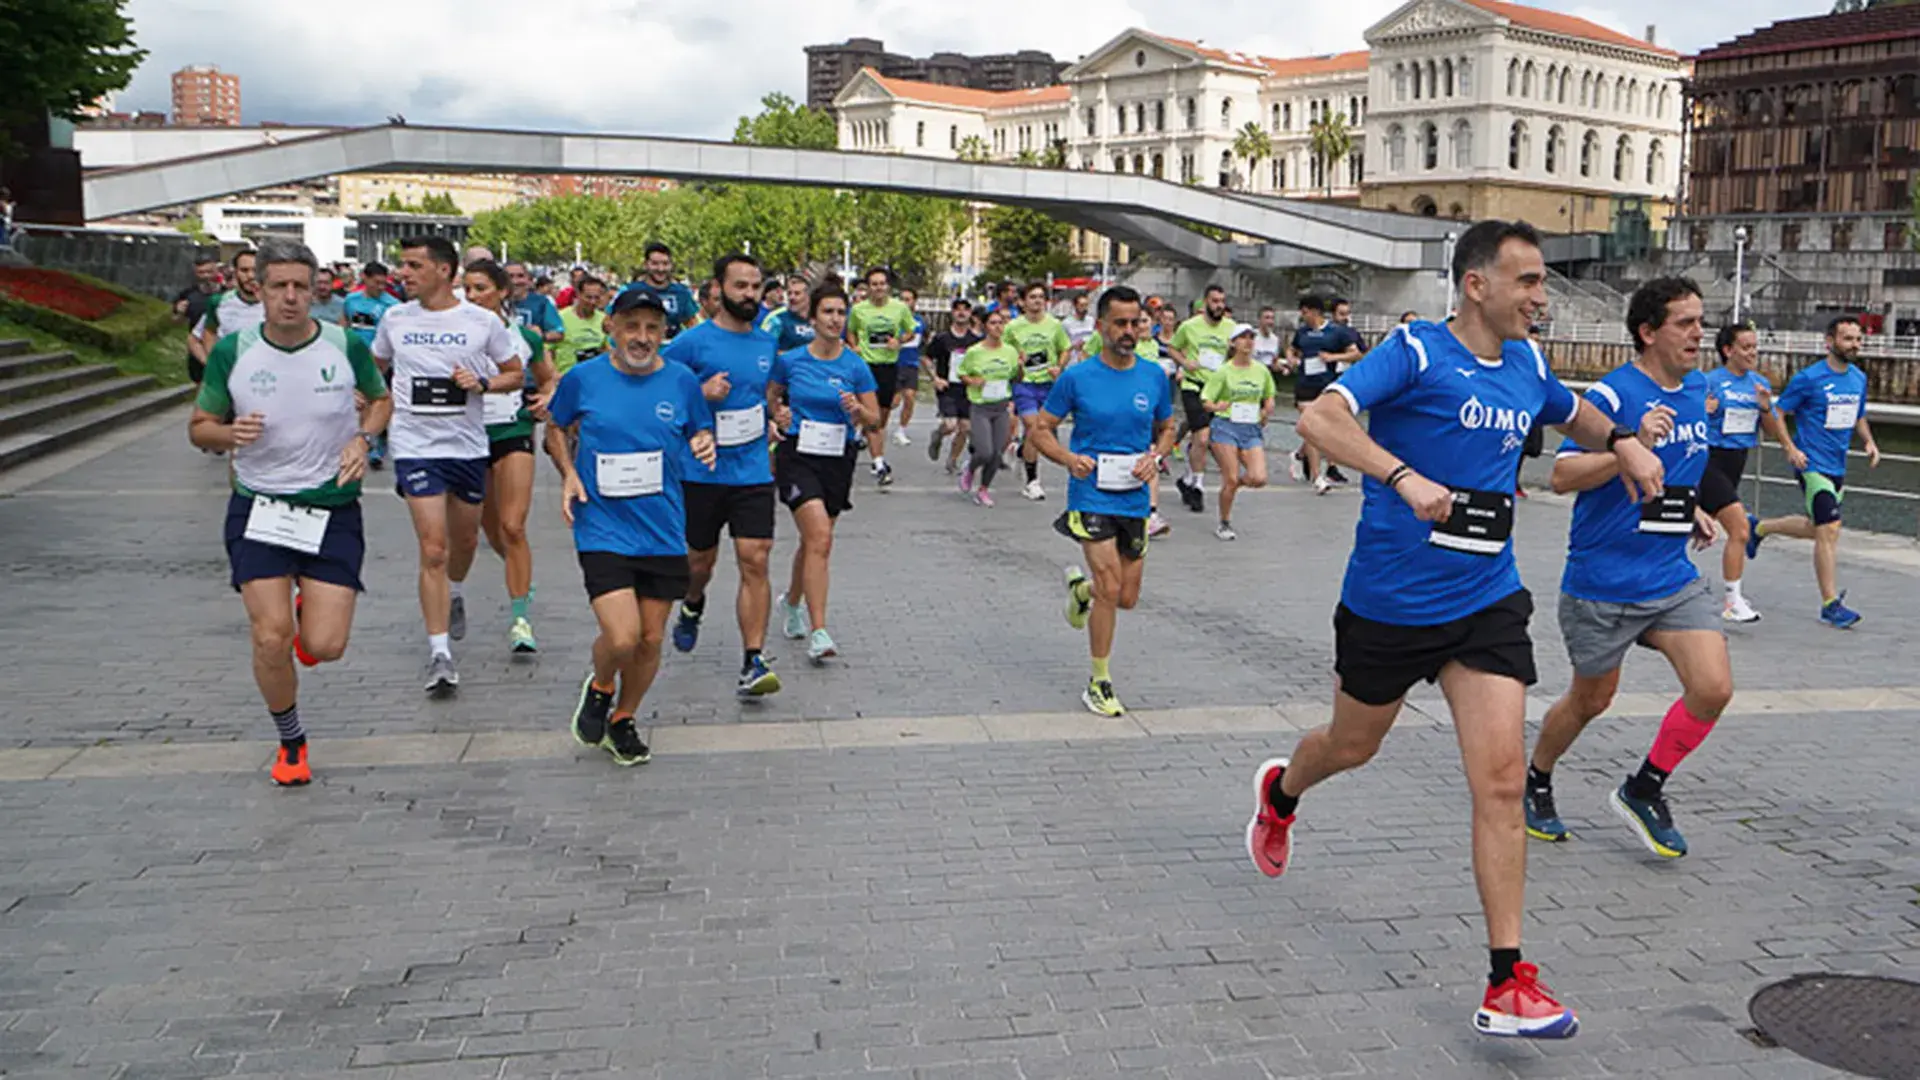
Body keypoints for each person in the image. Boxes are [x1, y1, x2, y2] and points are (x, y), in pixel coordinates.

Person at [1244, 219, 1665, 1040]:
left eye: (1544, 283)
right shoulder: (1415, 352)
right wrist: (1403, 476)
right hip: (1392, 602)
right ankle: (1281, 792)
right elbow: (1319, 421)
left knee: (1503, 780)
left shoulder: (1526, 363)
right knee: (1351, 745)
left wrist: (1623, 444)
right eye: (1530, 282)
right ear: (1478, 284)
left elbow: (1572, 412)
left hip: (1486, 599)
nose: (1542, 298)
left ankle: (1508, 980)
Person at [1525, 276, 1733, 862]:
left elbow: (1670, 470)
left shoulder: (1697, 394)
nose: (1699, 333)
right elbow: (1562, 476)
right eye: (1685, 323)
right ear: (1647, 332)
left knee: (1713, 687)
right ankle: (1536, 777)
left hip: (1669, 579)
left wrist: (1688, 507)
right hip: (1602, 583)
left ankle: (1644, 788)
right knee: (1592, 700)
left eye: (1701, 321)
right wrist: (1625, 445)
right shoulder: (1614, 396)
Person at [187, 237, 390, 787]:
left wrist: (364, 439)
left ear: (316, 287)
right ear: (260, 290)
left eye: (302, 286)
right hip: (260, 506)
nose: (291, 298)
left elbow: (380, 398)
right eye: (279, 286)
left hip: (331, 509)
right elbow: (199, 427)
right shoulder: (234, 350)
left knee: (324, 645)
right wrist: (229, 433)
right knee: (270, 637)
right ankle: (291, 740)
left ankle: (307, 613)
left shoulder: (345, 346)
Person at [548, 290, 717, 767]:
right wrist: (569, 473)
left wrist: (704, 443)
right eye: (632, 326)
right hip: (602, 524)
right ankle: (601, 686)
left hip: (662, 528)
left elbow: (698, 430)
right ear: (611, 327)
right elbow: (555, 428)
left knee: (650, 640)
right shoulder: (584, 379)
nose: (642, 338)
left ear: (665, 333)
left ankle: (624, 718)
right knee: (622, 637)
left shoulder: (682, 381)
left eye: (652, 328)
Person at [372, 236, 525, 695]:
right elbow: (374, 365)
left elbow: (515, 372)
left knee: (463, 542)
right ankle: (440, 653)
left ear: (444, 270)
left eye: (414, 265)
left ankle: (454, 591)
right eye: (403, 265)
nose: (404, 273)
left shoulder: (480, 321)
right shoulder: (394, 318)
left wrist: (482, 383)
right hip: (416, 445)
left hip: (466, 447)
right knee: (433, 548)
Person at [1028, 286, 1176, 718]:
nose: (1129, 331)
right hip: (1090, 493)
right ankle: (1099, 680)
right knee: (1110, 588)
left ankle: (1081, 591)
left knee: (1126, 597)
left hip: (1133, 498)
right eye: (1121, 323)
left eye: (1136, 323)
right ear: (1101, 327)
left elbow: (1167, 427)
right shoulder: (1076, 377)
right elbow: (1041, 429)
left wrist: (1156, 457)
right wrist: (1068, 459)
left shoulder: (1153, 375)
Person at [662, 254, 784, 697]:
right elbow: (654, 385)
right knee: (700, 563)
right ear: (718, 289)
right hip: (702, 471)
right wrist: (700, 390)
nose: (750, 294)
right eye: (741, 286)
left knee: (756, 556)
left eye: (755, 285)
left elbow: (765, 395)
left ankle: (753, 660)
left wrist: (776, 414)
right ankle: (693, 604)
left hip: (752, 468)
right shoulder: (692, 344)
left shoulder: (767, 343)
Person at [767, 283, 879, 663]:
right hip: (798, 454)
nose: (834, 319)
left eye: (840, 312)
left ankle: (793, 601)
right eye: (827, 312)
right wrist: (776, 416)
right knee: (819, 536)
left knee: (816, 541)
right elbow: (771, 395)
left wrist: (858, 413)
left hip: (838, 455)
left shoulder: (855, 365)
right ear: (812, 318)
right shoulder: (792, 360)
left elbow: (875, 418)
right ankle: (820, 631)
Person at [1747, 315, 1881, 628]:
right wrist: (1790, 449)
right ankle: (1830, 604)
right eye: (1847, 338)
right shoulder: (1809, 378)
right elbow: (1778, 412)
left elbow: (1858, 414)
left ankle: (1760, 529)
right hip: (1812, 465)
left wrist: (1870, 442)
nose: (1854, 345)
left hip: (1838, 465)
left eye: (1858, 339)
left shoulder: (1858, 379)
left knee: (1817, 528)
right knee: (1830, 529)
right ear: (1830, 342)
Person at [453, 259, 556, 655]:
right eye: (467, 288)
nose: (472, 295)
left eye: (480, 288)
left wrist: (544, 401)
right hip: (466, 436)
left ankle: (520, 619)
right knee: (488, 529)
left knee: (514, 526)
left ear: (501, 292)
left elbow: (548, 378)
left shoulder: (523, 336)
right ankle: (514, 577)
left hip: (511, 430)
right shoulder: (451, 333)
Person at [1699, 322, 1782, 623]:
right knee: (1740, 528)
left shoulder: (1758, 383)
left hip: (1737, 460)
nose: (1752, 353)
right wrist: (1703, 411)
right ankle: (1732, 601)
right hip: (1709, 459)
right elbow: (1688, 420)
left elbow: (1771, 431)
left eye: (1755, 347)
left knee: (1687, 528)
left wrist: (1764, 407)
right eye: (1746, 347)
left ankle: (1656, 578)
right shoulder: (1708, 382)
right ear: (1727, 350)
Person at [1201, 323, 1275, 541]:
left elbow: (1269, 394)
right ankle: (1224, 522)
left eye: (1251, 337)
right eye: (1242, 337)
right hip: (1226, 426)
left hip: (1251, 427)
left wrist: (1267, 408)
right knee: (1231, 476)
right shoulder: (1224, 371)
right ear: (1233, 343)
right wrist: (1217, 407)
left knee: (1258, 477)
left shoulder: (1261, 370)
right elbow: (1206, 400)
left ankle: (1232, 487)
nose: (1248, 341)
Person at [999, 283, 1073, 501]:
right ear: (1022, 301)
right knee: (1033, 427)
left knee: (1041, 431)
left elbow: (1065, 349)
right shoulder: (1013, 327)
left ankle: (1020, 451)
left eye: (1041, 297)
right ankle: (1032, 481)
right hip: (1024, 384)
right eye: (1032, 297)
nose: (1038, 301)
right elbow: (1003, 351)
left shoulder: (1054, 325)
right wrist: (1016, 363)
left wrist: (1059, 367)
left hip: (1048, 384)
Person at [846, 266, 914, 488]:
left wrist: (900, 341)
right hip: (866, 366)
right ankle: (878, 463)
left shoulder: (900, 308)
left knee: (880, 417)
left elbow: (910, 330)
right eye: (874, 284)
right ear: (868, 287)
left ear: (888, 286)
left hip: (888, 365)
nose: (878, 288)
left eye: (882, 284)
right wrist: (854, 347)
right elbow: (851, 330)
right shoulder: (859, 310)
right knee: (872, 419)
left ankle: (860, 438)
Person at [1168, 285, 1233, 513]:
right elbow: (1173, 348)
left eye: (1222, 301)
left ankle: (1187, 479)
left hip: (1216, 389)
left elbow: (1237, 355)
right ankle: (1197, 486)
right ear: (1205, 302)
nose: (1219, 306)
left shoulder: (1231, 328)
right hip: (1193, 385)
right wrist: (1184, 363)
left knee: (1202, 439)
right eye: (1215, 301)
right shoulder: (1190, 326)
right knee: (1203, 437)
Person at [1284, 296, 1356, 493]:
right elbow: (1291, 349)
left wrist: (1332, 357)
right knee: (1313, 429)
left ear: (1314, 312)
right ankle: (1317, 477)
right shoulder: (1302, 332)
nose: (1302, 316)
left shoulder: (1335, 332)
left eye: (1304, 312)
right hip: (1304, 386)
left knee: (1321, 431)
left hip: (1326, 387)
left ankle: (1299, 456)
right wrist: (1291, 359)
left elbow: (1355, 353)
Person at [957, 308, 1021, 507]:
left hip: (1001, 406)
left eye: (1001, 322)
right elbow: (962, 374)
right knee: (984, 451)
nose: (998, 326)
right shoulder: (975, 351)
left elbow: (1016, 378)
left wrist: (1020, 367)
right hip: (981, 406)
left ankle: (983, 489)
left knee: (996, 453)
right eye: (993, 323)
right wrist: (973, 380)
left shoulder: (1010, 351)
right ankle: (970, 468)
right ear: (985, 326)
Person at [924, 297, 980, 474]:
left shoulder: (976, 340)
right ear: (952, 313)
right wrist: (935, 378)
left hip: (967, 388)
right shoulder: (942, 338)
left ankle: (953, 460)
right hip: (948, 387)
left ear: (970, 314)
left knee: (966, 427)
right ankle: (938, 435)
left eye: (965, 309)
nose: (961, 313)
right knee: (950, 424)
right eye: (957, 309)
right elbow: (926, 358)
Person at [193, 250, 266, 366]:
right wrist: (212, 364)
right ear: (235, 272)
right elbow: (206, 333)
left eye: (255, 270)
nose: (251, 276)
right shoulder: (219, 302)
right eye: (244, 270)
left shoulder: (278, 302)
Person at [612, 242, 698, 338]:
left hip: (672, 348)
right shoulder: (629, 290)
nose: (660, 269)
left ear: (671, 265)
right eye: (655, 264)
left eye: (665, 264)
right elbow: (608, 323)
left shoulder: (682, 292)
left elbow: (693, 325)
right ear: (645, 264)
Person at [175, 253, 223, 384]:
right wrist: (179, 313)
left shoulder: (227, 294)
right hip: (198, 350)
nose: (206, 276)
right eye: (201, 273)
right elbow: (176, 322)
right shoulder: (188, 294)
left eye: (209, 271)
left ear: (216, 271)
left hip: (223, 348)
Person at [891, 287, 925, 447]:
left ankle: (901, 430)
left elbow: (921, 343)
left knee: (910, 397)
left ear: (914, 302)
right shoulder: (893, 319)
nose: (905, 302)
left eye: (908, 299)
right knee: (893, 402)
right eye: (902, 299)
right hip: (894, 363)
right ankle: (865, 425)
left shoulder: (920, 321)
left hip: (911, 365)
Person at [555, 275, 609, 374]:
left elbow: (607, 351)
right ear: (578, 294)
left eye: (596, 297)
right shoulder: (560, 318)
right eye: (588, 297)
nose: (593, 302)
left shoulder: (604, 319)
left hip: (593, 379)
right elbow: (547, 351)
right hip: (566, 378)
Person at [506, 262, 566, 345]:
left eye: (520, 276)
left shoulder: (542, 302)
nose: (515, 281)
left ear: (528, 279)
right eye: (510, 276)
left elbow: (559, 334)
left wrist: (541, 336)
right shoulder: (494, 301)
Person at [761, 275, 816, 353]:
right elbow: (763, 349)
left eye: (797, 294)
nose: (791, 297)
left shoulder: (818, 319)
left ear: (808, 297)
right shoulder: (776, 319)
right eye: (789, 293)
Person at [1062, 292, 1096, 362]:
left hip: (1088, 359)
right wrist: (1074, 345)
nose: (1085, 308)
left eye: (1086, 305)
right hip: (1073, 361)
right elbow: (1063, 345)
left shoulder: (1091, 320)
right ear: (1075, 306)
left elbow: (1095, 338)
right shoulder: (1066, 323)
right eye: (1082, 305)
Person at [1251, 307, 1283, 373]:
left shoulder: (1275, 339)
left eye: (1272, 318)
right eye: (1267, 318)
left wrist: (1280, 367)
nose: (1270, 321)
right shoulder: (1251, 336)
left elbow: (1275, 361)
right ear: (1259, 320)